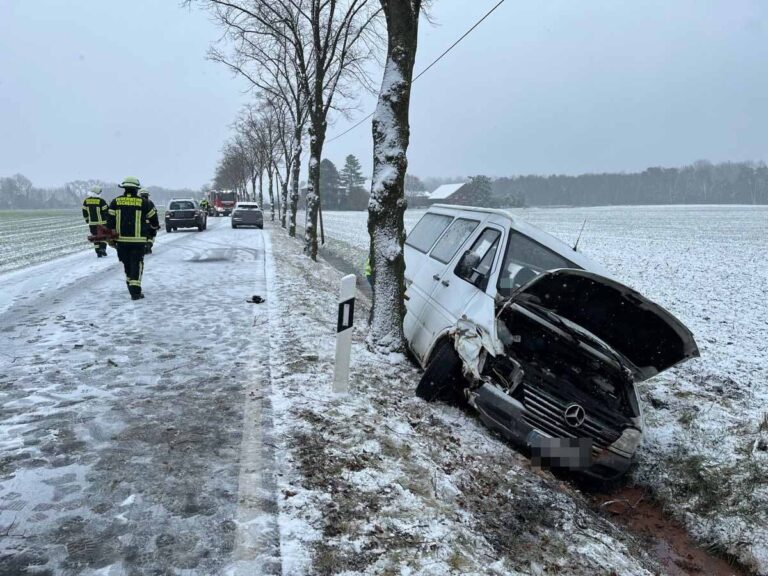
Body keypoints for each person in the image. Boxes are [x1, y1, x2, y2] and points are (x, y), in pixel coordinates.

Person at [106, 177, 159, 300]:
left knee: (127, 265)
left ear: (124, 188)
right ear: (136, 189)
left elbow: (109, 223)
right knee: (137, 264)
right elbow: (154, 220)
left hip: (121, 242)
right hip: (138, 241)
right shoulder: (144, 202)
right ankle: (135, 292)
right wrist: (154, 227)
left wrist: (111, 238)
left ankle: (131, 286)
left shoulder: (115, 202)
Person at [82, 185, 110, 257]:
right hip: (102, 223)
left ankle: (98, 252)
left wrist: (87, 220)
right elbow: (106, 212)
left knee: (95, 237)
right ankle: (102, 249)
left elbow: (84, 212)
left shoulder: (86, 201)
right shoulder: (101, 201)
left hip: (92, 224)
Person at [138, 188, 159, 254]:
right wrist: (156, 225)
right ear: (148, 195)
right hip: (150, 224)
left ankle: (142, 247)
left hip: (139, 224)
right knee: (151, 235)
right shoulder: (150, 203)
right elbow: (154, 214)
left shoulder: (137, 203)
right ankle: (148, 246)